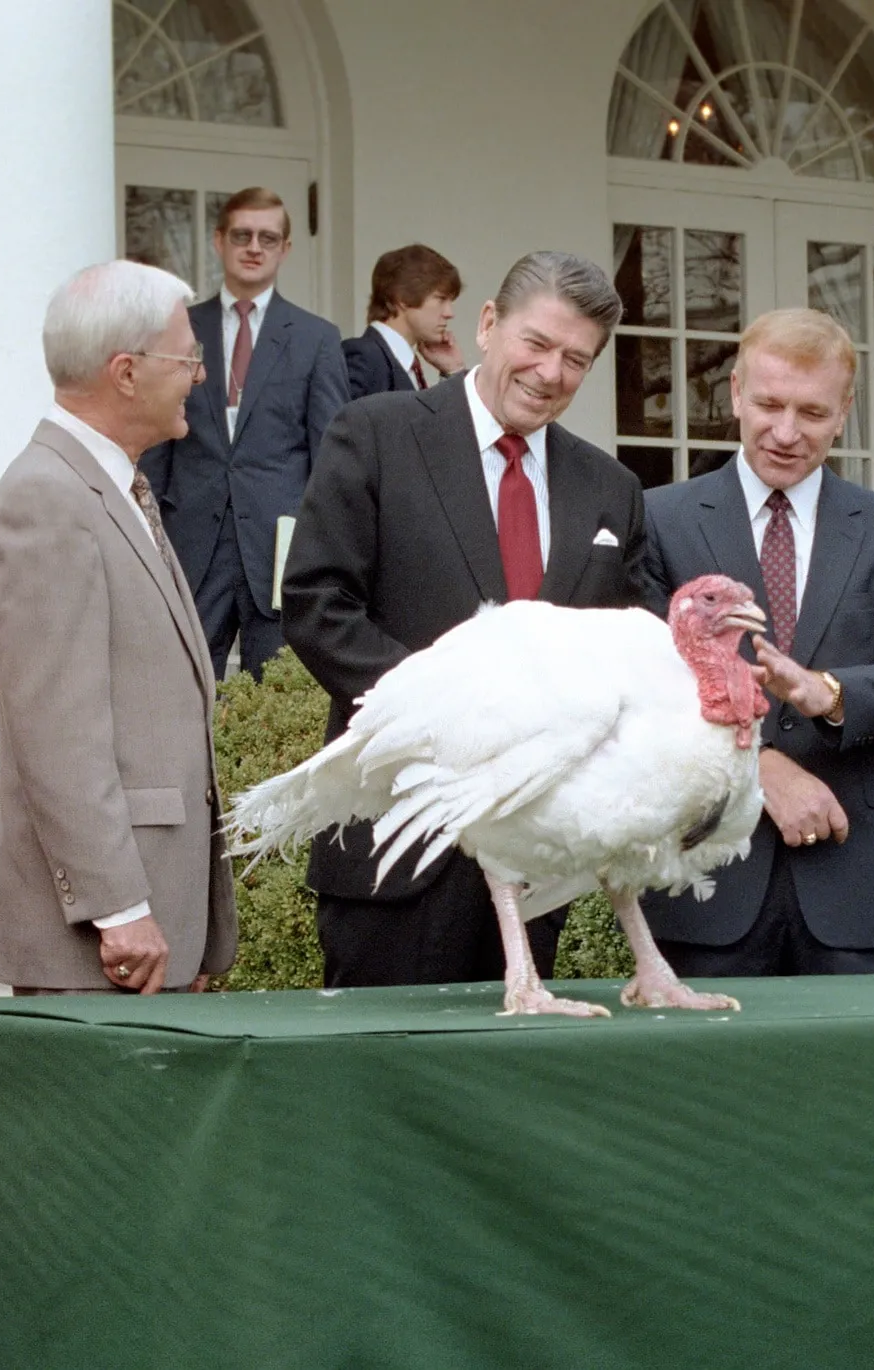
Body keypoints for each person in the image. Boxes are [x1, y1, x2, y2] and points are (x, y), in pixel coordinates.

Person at [280, 250, 646, 988]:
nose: (550, 374)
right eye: (536, 344)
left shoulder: (611, 488)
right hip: (397, 847)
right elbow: (320, 606)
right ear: (487, 324)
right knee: (379, 1091)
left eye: (576, 360)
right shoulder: (375, 434)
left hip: (536, 863)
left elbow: (622, 654)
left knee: (508, 1093)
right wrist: (454, 723)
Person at [636, 308, 874, 977]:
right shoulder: (661, 519)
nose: (785, 433)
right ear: (734, 396)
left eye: (811, 413)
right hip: (706, 873)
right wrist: (762, 769)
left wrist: (826, 692)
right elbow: (643, 682)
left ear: (843, 413)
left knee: (856, 1081)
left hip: (856, 880)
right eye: (768, 405)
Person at [0, 260, 236, 996]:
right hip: (106, 946)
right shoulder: (46, 500)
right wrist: (119, 908)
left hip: (157, 928)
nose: (200, 375)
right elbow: (57, 733)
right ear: (126, 372)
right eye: (188, 357)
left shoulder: (114, 489)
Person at [138, 186, 349, 680]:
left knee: (276, 695)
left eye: (268, 238)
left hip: (278, 549)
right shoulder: (178, 327)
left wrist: (322, 553)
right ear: (219, 241)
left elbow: (328, 457)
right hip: (190, 539)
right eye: (242, 235)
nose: (255, 247)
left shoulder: (316, 338)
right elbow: (153, 438)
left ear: (286, 248)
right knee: (180, 683)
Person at [343, 243, 466, 398]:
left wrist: (453, 371)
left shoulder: (402, 363)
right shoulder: (364, 358)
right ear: (402, 298)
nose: (450, 313)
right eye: (440, 299)